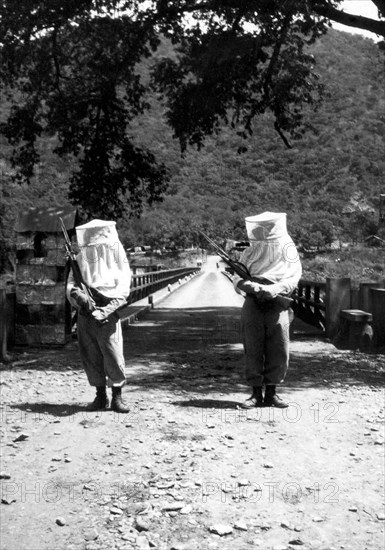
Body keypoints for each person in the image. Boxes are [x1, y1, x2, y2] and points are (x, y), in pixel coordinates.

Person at [233, 212, 302, 408]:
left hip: (277, 304)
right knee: (253, 347)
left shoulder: (288, 250)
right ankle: (255, 394)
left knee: (279, 347)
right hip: (253, 303)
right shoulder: (248, 253)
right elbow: (237, 277)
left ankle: (272, 393)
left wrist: (275, 289)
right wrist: (249, 286)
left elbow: (294, 276)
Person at [66, 219, 132, 413]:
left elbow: (123, 290)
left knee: (112, 353)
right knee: (90, 354)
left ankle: (117, 397)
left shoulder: (116, 257)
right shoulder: (80, 258)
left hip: (107, 315)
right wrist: (77, 295)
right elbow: (72, 281)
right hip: (85, 313)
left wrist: (105, 310)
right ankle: (100, 396)